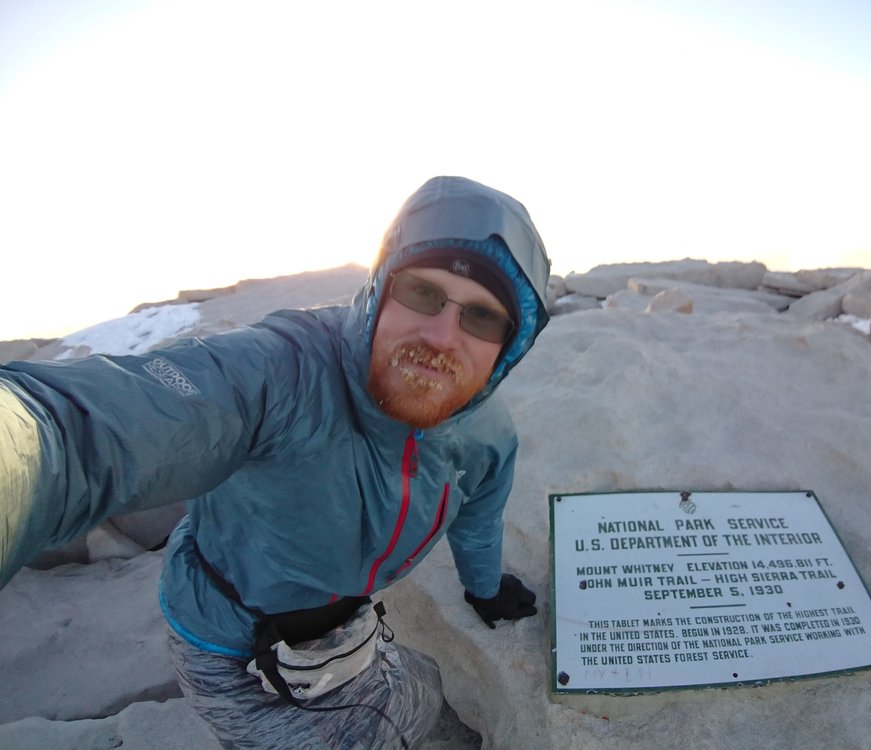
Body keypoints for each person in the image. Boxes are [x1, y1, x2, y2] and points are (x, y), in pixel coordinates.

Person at [0, 175, 551, 749]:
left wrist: (483, 588)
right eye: (422, 293)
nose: (441, 335)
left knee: (424, 697)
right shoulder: (282, 371)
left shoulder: (486, 436)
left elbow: (478, 517)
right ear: (382, 286)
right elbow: (78, 430)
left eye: (482, 317)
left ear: (510, 346)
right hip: (228, 645)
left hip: (342, 626)